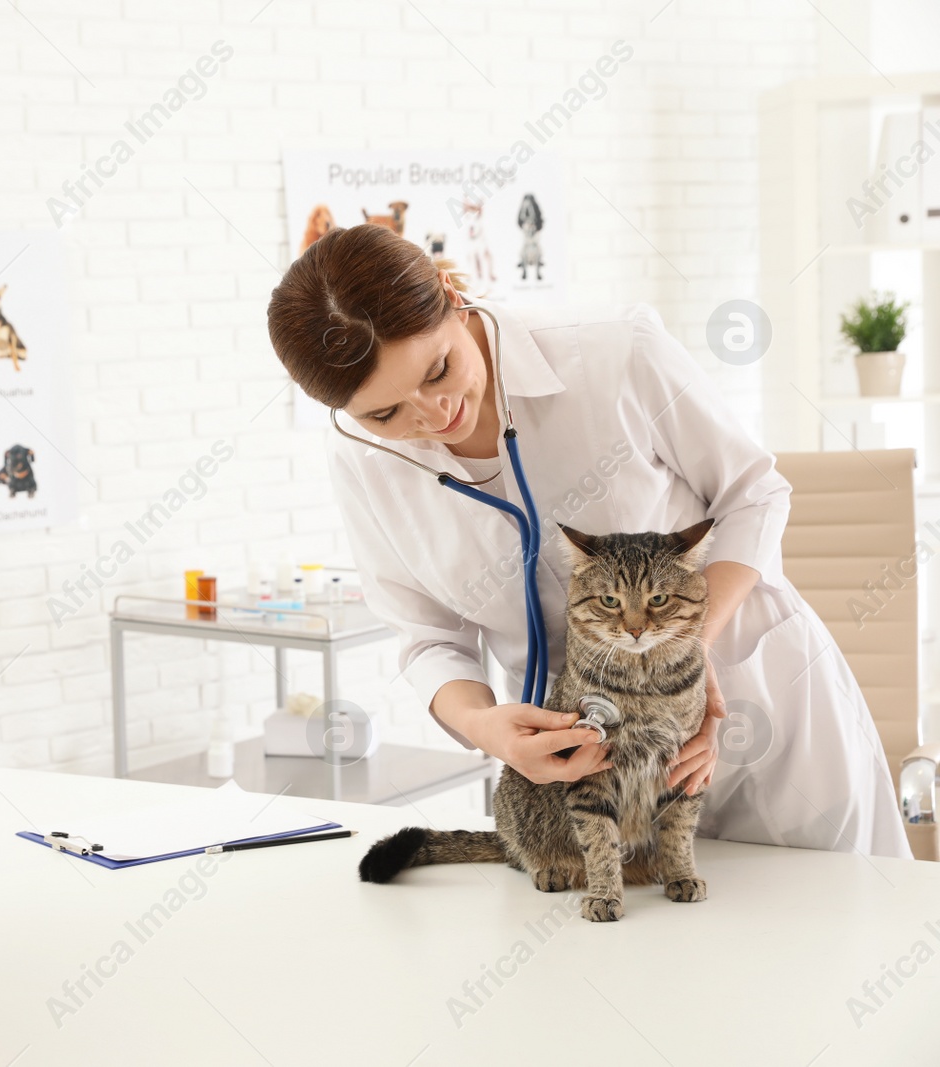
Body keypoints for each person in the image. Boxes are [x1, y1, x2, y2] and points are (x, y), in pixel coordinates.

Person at [266, 223, 910, 860]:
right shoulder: (365, 459)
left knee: (826, 935)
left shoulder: (614, 354)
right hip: (593, 771)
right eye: (386, 413)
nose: (434, 415)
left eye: (439, 369)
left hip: (760, 713)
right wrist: (484, 725)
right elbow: (427, 634)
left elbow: (754, 493)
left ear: (451, 297)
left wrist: (685, 655)